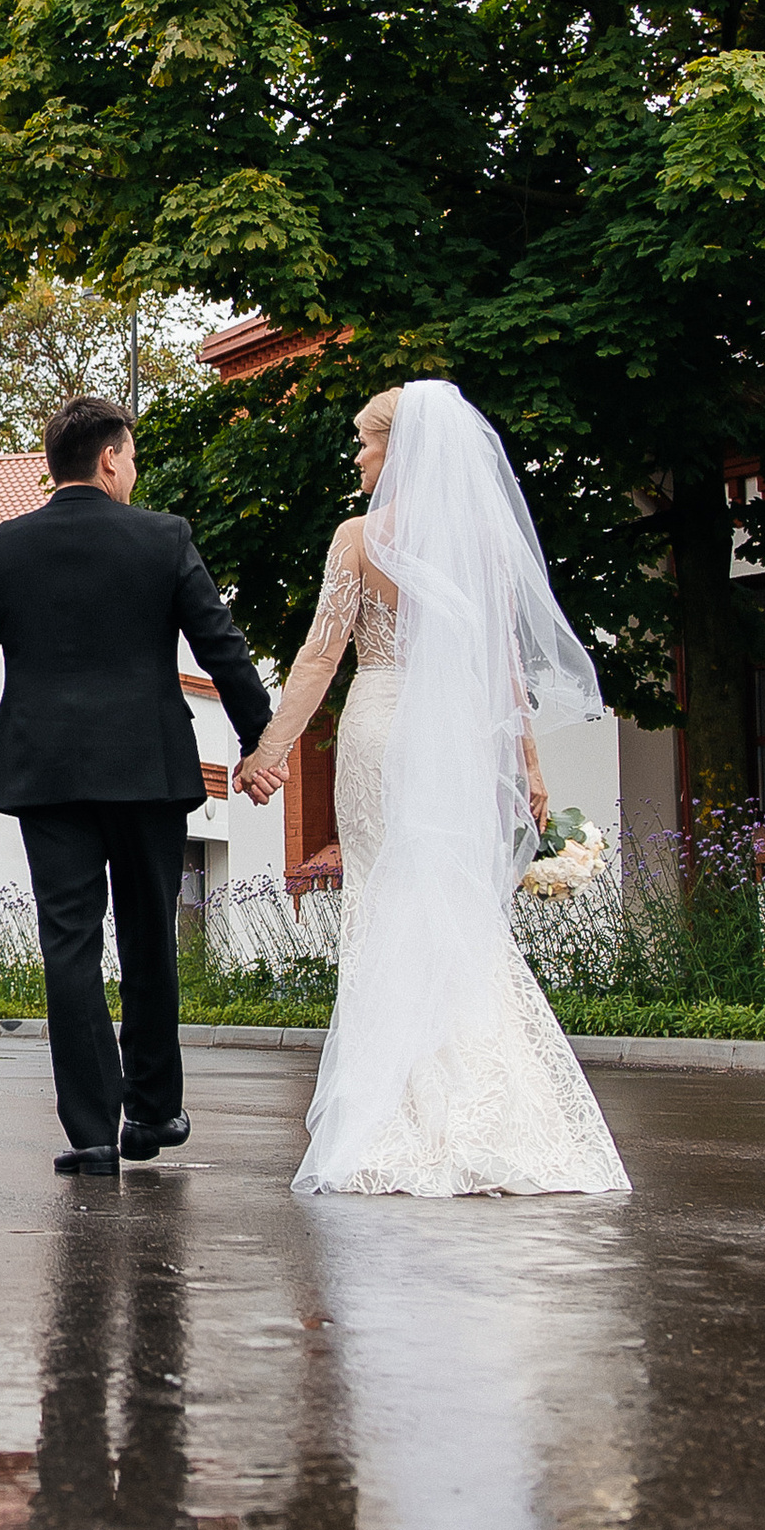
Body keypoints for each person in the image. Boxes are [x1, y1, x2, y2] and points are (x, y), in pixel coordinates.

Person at [233, 379, 629, 1199]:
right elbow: (501, 667)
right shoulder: (478, 541)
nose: (357, 455)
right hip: (450, 738)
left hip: (380, 729)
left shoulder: (358, 539)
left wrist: (271, 750)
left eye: (366, 442)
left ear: (400, 451)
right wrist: (529, 766)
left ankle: (400, 1113)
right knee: (450, 908)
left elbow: (318, 658)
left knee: (385, 905)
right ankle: (492, 1109)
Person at [0, 394, 273, 1175]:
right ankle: (154, 1114)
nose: (134, 473)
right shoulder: (163, 538)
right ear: (108, 459)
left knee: (69, 942)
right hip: (148, 771)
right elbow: (222, 649)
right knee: (147, 940)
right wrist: (261, 737)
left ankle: (91, 1132)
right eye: (131, 459)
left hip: (45, 779)